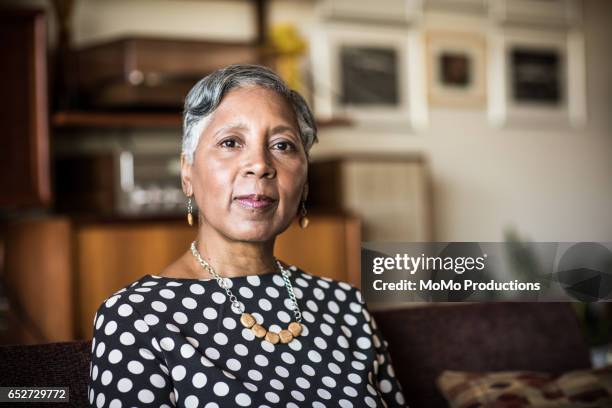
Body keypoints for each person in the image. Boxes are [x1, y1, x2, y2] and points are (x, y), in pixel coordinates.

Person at [87, 64, 407, 407]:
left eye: (283, 146)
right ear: (187, 174)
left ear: (305, 182)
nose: (260, 164)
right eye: (230, 142)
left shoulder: (346, 306)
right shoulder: (135, 317)